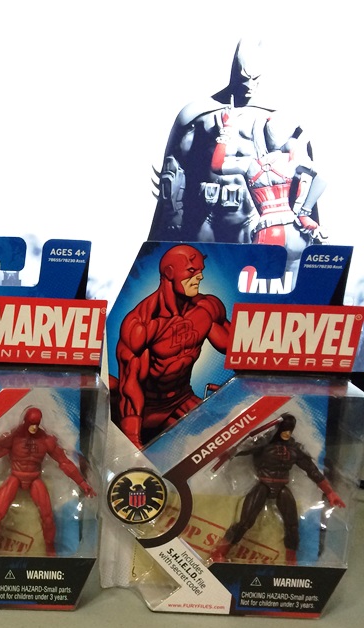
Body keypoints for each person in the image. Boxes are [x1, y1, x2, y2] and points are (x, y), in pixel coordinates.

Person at [150, 39, 300, 245]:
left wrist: (303, 215)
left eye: (255, 79)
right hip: (206, 214)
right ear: (235, 73)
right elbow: (175, 167)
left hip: (254, 216)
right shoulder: (199, 114)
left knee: (253, 264)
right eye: (244, 78)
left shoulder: (275, 117)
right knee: (201, 262)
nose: (249, 85)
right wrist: (173, 215)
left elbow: (298, 171)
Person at [114, 244, 231, 448]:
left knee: (225, 438)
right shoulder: (141, 325)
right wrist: (132, 442)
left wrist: (235, 390)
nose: (200, 277)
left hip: (181, 400)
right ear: (169, 273)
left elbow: (240, 353)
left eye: (200, 271)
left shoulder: (207, 309)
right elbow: (129, 385)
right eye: (192, 271)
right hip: (146, 410)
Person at [211, 414, 344, 564]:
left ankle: (291, 560)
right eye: (284, 430)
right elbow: (243, 449)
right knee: (245, 522)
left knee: (292, 525)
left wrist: (329, 492)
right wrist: (226, 453)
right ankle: (220, 551)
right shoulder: (264, 444)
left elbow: (311, 470)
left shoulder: (294, 448)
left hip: (281, 487)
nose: (287, 433)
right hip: (263, 484)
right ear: (278, 428)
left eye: (290, 430)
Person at [0, 407, 94, 555]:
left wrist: (82, 483)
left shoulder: (46, 440)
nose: (34, 427)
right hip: (15, 476)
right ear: (26, 421)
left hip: (34, 478)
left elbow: (64, 462)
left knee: (48, 517)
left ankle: (50, 550)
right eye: (31, 423)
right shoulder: (13, 438)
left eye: (36, 424)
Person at [211, 114, 325, 255]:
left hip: (269, 231)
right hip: (296, 230)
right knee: (298, 269)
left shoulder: (249, 164)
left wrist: (226, 130)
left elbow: (216, 166)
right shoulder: (292, 161)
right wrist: (304, 214)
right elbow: (322, 177)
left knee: (256, 268)